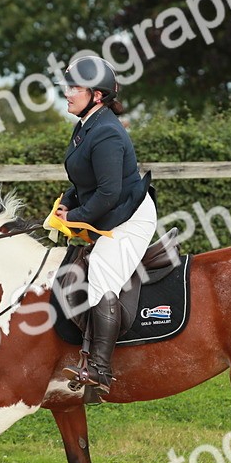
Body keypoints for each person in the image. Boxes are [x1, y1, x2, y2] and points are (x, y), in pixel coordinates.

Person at [54, 56, 156, 396]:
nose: (67, 94)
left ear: (96, 96)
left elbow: (109, 193)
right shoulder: (87, 124)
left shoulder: (108, 132)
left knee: (99, 270)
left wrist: (78, 216)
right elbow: (87, 180)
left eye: (75, 88)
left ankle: (100, 369)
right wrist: (69, 201)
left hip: (130, 217)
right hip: (111, 212)